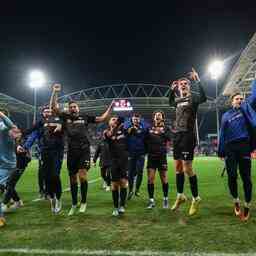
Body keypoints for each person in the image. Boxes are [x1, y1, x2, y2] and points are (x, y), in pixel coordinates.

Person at [51, 84, 113, 216]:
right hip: (72, 152)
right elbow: (54, 108)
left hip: (84, 150)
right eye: (71, 107)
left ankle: (83, 202)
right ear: (68, 109)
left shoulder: (85, 117)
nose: (73, 108)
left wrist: (110, 108)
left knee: (82, 176)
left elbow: (102, 118)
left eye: (75, 106)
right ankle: (74, 203)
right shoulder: (65, 117)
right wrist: (55, 92)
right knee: (72, 178)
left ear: (78, 108)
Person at [218, 75, 256, 221]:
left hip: (244, 146)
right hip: (229, 148)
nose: (239, 100)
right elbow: (222, 134)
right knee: (232, 176)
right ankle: (236, 202)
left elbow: (255, 94)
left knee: (246, 177)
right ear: (232, 101)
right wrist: (221, 151)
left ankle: (247, 205)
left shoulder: (247, 108)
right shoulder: (226, 116)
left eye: (241, 99)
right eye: (237, 99)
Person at [169, 68, 206, 216]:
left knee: (187, 168)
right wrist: (171, 90)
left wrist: (198, 80)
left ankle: (196, 198)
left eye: (185, 83)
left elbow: (204, 98)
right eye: (181, 84)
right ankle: (180, 196)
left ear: (189, 86)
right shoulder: (177, 100)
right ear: (178, 87)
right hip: (177, 135)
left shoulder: (194, 99)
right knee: (177, 167)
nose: (183, 85)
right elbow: (170, 101)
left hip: (188, 135)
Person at [19, 105, 64, 214]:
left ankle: (58, 198)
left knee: (55, 175)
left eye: (50, 111)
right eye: (45, 111)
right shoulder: (40, 123)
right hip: (44, 152)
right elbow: (31, 132)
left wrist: (61, 125)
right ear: (42, 113)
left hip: (57, 151)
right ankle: (51, 197)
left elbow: (65, 122)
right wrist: (22, 142)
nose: (48, 113)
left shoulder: (59, 119)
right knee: (46, 176)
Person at [144, 111, 171, 209]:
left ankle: (165, 199)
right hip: (151, 156)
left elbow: (169, 138)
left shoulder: (166, 128)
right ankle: (151, 200)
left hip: (161, 156)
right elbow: (145, 140)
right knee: (150, 179)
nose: (157, 116)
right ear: (154, 118)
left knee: (164, 178)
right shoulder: (149, 128)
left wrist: (162, 132)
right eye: (156, 115)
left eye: (159, 115)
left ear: (162, 118)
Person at [0, 110, 22, 227]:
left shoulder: (4, 127)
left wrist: (1, 114)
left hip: (6, 165)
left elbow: (11, 126)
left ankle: (1, 218)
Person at [104, 116, 129, 216]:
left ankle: (122, 206)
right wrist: (117, 126)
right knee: (114, 185)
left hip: (124, 160)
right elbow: (110, 135)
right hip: (113, 161)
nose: (115, 121)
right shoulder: (106, 132)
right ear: (109, 123)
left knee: (123, 182)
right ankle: (115, 207)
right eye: (113, 119)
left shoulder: (123, 131)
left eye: (116, 119)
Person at [2, 129, 31, 212]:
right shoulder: (14, 141)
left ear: (19, 133)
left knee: (9, 184)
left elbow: (29, 158)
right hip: (14, 167)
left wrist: (23, 152)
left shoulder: (23, 142)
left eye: (13, 133)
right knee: (8, 184)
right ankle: (18, 201)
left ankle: (4, 204)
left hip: (19, 167)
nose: (11, 134)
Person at [124, 113, 148, 199]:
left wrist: (146, 151)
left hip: (141, 153)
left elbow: (147, 138)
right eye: (134, 119)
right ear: (132, 120)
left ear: (140, 119)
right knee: (130, 173)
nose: (135, 120)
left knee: (140, 171)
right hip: (131, 154)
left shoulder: (144, 128)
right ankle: (130, 190)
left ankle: (137, 189)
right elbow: (124, 137)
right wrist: (128, 131)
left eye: (137, 119)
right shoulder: (128, 128)